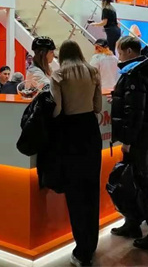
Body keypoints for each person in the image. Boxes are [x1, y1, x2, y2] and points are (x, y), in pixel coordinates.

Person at [110, 36, 148, 251]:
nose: (118, 56)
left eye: (120, 51)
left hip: (140, 138)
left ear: (128, 51)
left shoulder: (135, 73)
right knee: (138, 183)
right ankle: (133, 223)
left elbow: (135, 111)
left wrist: (128, 140)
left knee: (142, 185)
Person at [50, 40, 102, 266]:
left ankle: (82, 249)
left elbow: (57, 109)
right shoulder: (93, 72)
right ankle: (91, 244)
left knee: (75, 193)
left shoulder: (59, 75)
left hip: (70, 133)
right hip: (91, 130)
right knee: (91, 189)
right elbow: (98, 107)